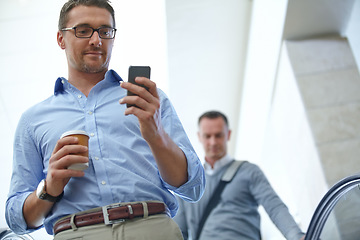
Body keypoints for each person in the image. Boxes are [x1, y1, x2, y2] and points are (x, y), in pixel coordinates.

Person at [5, 1, 205, 239]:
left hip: (152, 229)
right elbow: (17, 219)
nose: (96, 40)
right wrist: (49, 188)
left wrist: (157, 135)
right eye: (83, 30)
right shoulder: (32, 120)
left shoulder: (149, 100)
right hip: (75, 233)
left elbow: (193, 187)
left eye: (105, 31)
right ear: (61, 39)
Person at [174, 110, 305, 240]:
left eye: (218, 135)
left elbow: (274, 207)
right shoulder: (187, 184)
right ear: (199, 137)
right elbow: (178, 232)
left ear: (228, 134)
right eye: (208, 136)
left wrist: (296, 236)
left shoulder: (249, 172)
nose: (213, 142)